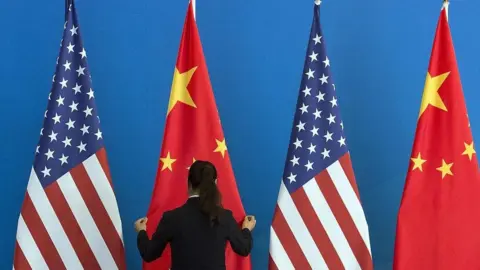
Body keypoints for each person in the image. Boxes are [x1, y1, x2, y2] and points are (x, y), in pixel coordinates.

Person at [135, 160, 256, 270]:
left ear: (188, 183)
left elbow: (149, 253)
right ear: (215, 183)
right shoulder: (225, 216)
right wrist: (246, 229)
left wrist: (141, 231)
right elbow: (243, 248)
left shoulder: (172, 218)